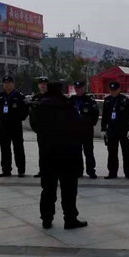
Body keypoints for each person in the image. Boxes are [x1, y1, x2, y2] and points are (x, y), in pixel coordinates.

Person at [30, 81, 87, 230]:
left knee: (48, 188)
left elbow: (35, 126)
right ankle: (70, 219)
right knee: (68, 189)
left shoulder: (40, 106)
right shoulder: (67, 105)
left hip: (48, 153)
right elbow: (78, 126)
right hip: (67, 154)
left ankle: (46, 218)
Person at [0, 75, 29, 177]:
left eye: (9, 83)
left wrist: (18, 118)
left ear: (13, 84)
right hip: (4, 126)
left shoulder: (19, 96)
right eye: (5, 83)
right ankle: (6, 169)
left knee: (18, 148)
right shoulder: (0, 96)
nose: (7, 85)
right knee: (5, 148)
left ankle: (21, 170)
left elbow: (25, 110)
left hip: (15, 125)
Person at [101, 81, 129, 180]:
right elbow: (104, 116)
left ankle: (128, 173)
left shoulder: (125, 100)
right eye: (111, 90)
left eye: (115, 90)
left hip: (123, 130)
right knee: (112, 152)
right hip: (112, 129)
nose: (113, 92)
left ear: (119, 90)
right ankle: (112, 172)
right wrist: (103, 129)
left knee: (126, 152)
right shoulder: (107, 101)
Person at [71, 81, 99, 179]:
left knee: (89, 151)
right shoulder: (71, 100)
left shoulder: (89, 100)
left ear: (83, 88)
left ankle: (91, 171)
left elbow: (95, 113)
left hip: (87, 130)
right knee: (76, 152)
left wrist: (90, 124)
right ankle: (78, 171)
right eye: (76, 88)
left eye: (80, 88)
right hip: (75, 130)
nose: (78, 90)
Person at [29, 76, 49, 178]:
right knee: (42, 151)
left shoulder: (53, 97)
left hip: (52, 130)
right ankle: (43, 170)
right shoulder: (35, 98)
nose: (43, 86)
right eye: (41, 84)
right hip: (41, 130)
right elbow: (32, 115)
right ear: (38, 86)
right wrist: (35, 128)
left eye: (45, 84)